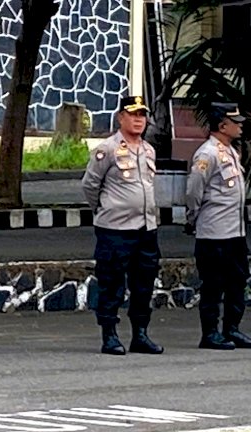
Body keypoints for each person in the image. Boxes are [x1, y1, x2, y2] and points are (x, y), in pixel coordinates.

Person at [82, 95, 164, 355]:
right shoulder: (106, 149)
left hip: (145, 229)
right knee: (112, 283)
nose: (138, 119)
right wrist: (105, 209)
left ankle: (140, 333)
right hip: (115, 230)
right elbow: (90, 185)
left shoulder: (148, 150)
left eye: (142, 115)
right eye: (133, 114)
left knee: (143, 284)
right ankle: (110, 335)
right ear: (121, 118)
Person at [185, 102, 251, 351]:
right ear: (221, 125)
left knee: (237, 282)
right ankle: (210, 333)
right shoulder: (208, 154)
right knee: (213, 285)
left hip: (234, 232)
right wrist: (193, 217)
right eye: (235, 122)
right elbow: (194, 190)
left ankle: (232, 329)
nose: (240, 126)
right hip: (214, 232)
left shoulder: (230, 152)